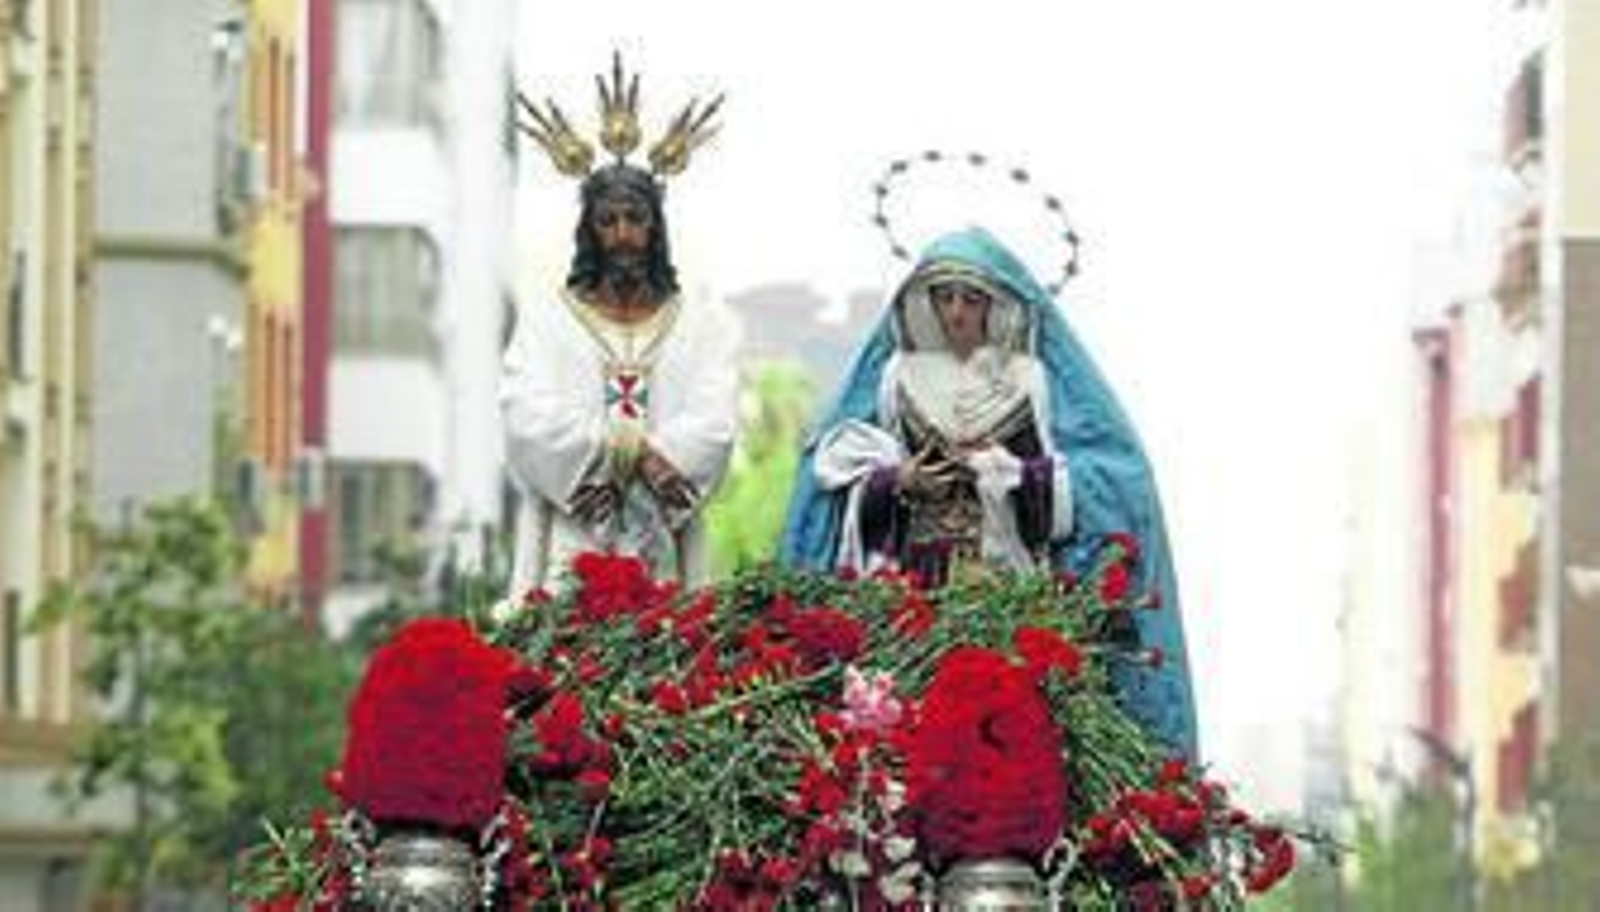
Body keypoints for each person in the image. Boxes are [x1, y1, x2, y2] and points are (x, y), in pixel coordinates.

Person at [781, 226, 1197, 756]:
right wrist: (899, 481)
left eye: (971, 299)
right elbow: (836, 476)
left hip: (1007, 582)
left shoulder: (1030, 381)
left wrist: (1010, 480)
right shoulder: (895, 378)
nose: (956, 313)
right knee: (911, 714)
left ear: (994, 306)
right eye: (945, 297)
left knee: (1006, 719)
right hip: (912, 581)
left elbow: (1101, 478)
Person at [502, 68, 737, 592]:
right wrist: (621, 457)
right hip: (573, 519)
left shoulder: (696, 321)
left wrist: (658, 465)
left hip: (663, 527)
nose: (623, 235)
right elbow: (523, 411)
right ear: (589, 230)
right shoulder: (549, 318)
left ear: (656, 228)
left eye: (636, 218)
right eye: (608, 221)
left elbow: (715, 416)